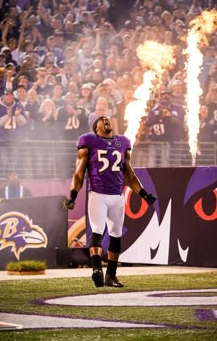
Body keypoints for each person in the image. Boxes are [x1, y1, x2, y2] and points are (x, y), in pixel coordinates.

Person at [62, 116, 156, 288]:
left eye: (107, 118)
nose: (106, 120)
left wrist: (144, 194)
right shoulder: (89, 141)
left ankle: (111, 276)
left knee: (116, 236)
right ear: (96, 127)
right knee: (97, 231)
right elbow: (79, 172)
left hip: (117, 197)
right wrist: (73, 195)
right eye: (101, 119)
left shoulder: (123, 142)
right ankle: (97, 269)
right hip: (98, 194)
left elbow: (129, 174)